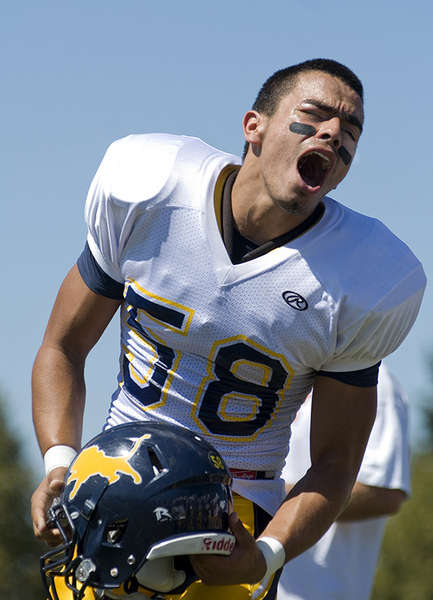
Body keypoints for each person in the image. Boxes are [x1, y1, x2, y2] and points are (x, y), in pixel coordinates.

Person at [31, 57, 426, 600]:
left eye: (351, 130)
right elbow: (62, 346)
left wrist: (266, 555)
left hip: (231, 513)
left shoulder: (365, 276)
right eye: (314, 116)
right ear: (253, 127)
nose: (334, 133)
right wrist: (58, 460)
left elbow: (336, 463)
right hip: (113, 482)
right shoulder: (149, 187)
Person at [277, 364, 410, 600]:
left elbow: (384, 492)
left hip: (321, 592)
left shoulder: (375, 380)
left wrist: (270, 496)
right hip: (253, 584)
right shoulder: (284, 370)